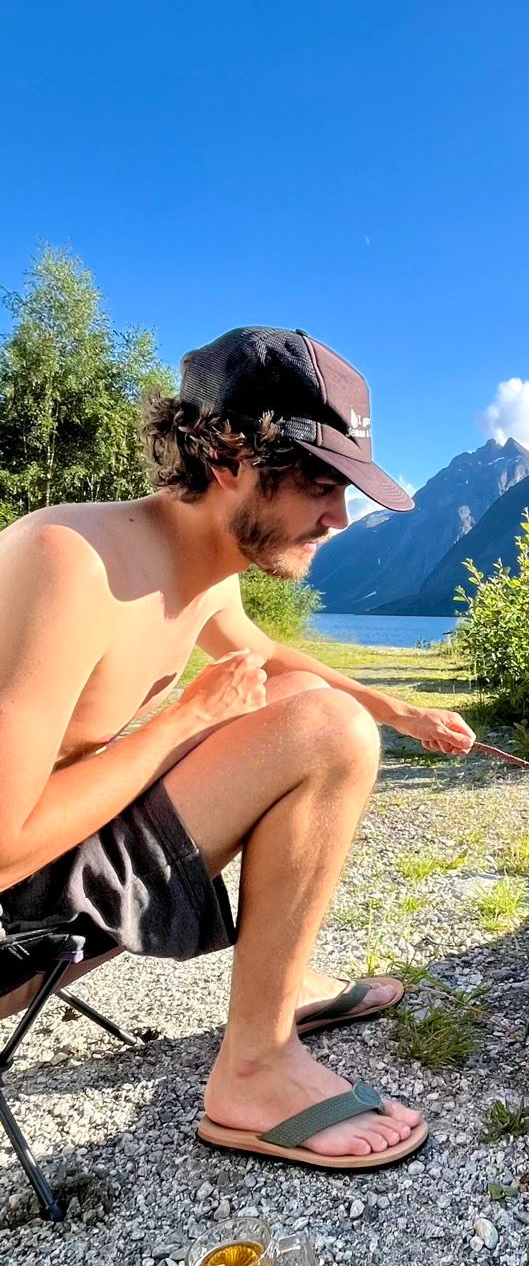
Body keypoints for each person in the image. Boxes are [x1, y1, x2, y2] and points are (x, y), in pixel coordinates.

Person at [0, 326, 474, 1169]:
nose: (339, 516)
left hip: (66, 864)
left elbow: (263, 652)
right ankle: (252, 1071)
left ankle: (278, 989)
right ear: (227, 455)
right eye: (321, 483)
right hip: (13, 919)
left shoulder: (204, 559)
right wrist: (182, 721)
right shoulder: (69, 562)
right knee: (328, 734)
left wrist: (394, 706)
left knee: (314, 702)